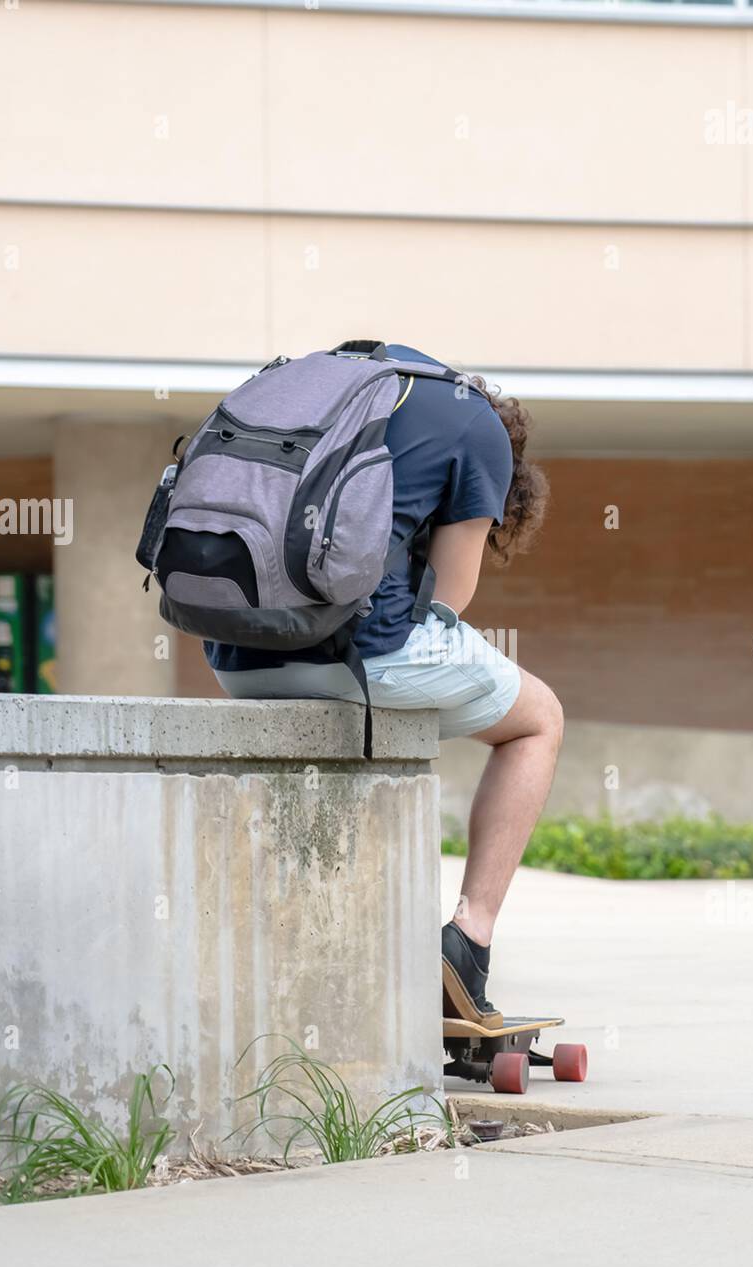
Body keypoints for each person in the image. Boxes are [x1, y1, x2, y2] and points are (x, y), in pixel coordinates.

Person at [204, 344, 561, 1027]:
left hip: (234, 656)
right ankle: (469, 940)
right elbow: (448, 603)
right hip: (360, 656)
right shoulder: (478, 429)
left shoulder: (321, 389)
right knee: (538, 717)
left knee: (366, 724)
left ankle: (322, 953)